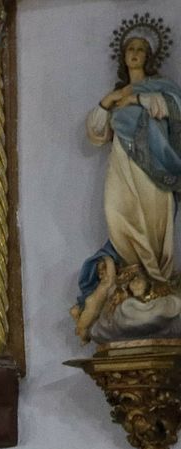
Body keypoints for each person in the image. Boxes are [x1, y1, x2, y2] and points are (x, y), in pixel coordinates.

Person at [76, 23, 181, 338]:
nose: (134, 54)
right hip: (122, 165)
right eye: (130, 49)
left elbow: (174, 108)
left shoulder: (159, 88)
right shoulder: (115, 95)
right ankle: (132, 275)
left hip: (154, 168)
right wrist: (111, 100)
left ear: (148, 56)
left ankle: (156, 279)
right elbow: (96, 132)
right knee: (117, 212)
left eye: (140, 50)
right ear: (123, 56)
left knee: (155, 218)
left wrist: (137, 99)